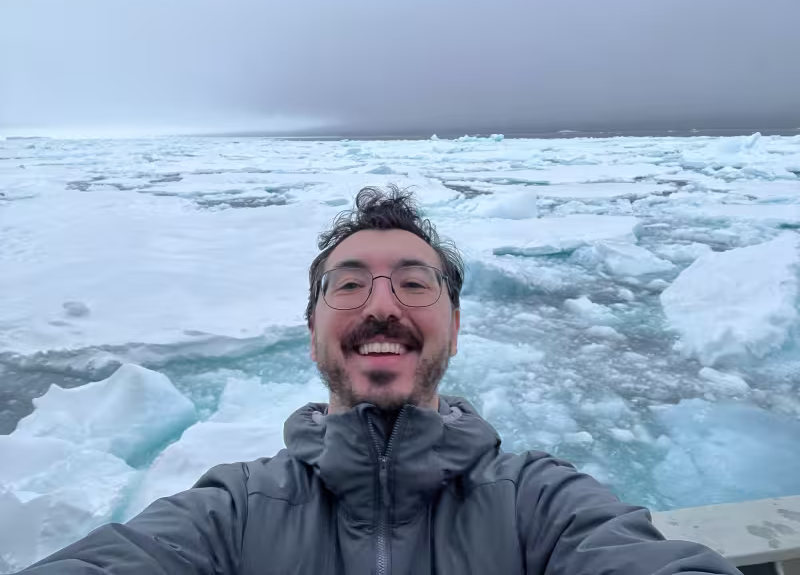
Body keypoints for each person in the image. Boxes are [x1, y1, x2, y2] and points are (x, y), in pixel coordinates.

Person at [19, 186, 741, 574]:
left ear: (455, 328)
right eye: (350, 284)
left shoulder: (535, 502)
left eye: (414, 283)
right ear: (312, 334)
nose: (383, 306)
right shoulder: (237, 510)